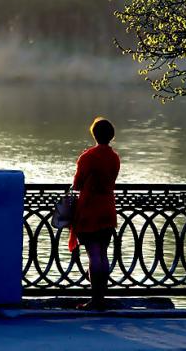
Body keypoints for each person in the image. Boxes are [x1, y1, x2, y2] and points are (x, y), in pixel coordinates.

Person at [68, 117, 120, 311]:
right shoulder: (114, 157)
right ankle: (101, 297)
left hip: (89, 210)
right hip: (107, 208)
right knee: (103, 254)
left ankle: (95, 300)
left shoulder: (88, 156)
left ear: (94, 135)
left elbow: (77, 184)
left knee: (93, 255)